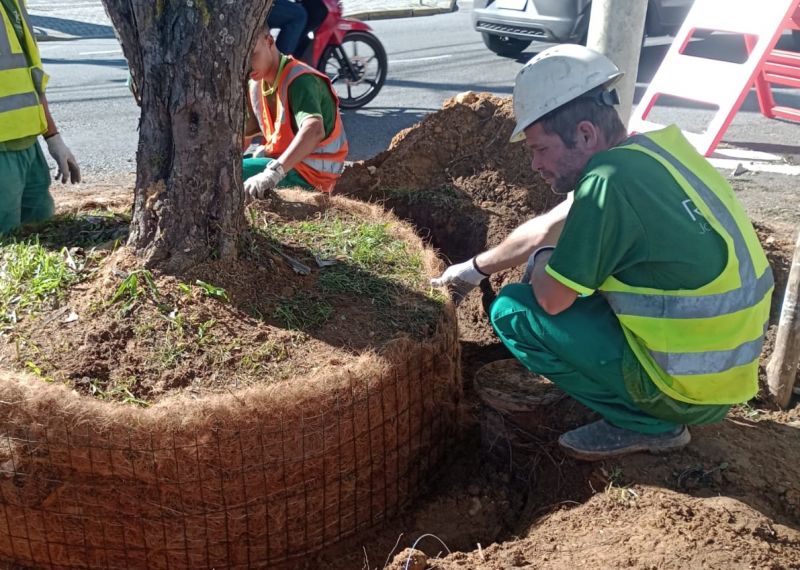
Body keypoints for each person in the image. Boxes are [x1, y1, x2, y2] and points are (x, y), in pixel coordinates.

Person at [431, 44, 773, 462]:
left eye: (540, 149)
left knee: (514, 310)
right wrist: (473, 269)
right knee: (564, 279)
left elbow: (551, 297)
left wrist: (544, 259)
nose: (536, 165)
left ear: (586, 133)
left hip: (685, 390)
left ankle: (649, 423)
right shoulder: (653, 152)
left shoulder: (607, 184)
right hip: (726, 376)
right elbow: (545, 226)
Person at [0, 0, 80, 234]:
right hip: (3, 153)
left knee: (41, 231)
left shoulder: (14, 4)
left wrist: (53, 137)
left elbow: (32, 79)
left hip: (28, 147)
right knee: (7, 243)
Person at [243, 27, 348, 197]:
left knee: (228, 175)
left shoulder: (300, 79)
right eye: (242, 58)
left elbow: (314, 130)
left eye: (253, 55)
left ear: (269, 41)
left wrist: (273, 173)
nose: (247, 65)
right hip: (285, 165)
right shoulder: (255, 84)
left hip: (311, 176)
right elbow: (243, 140)